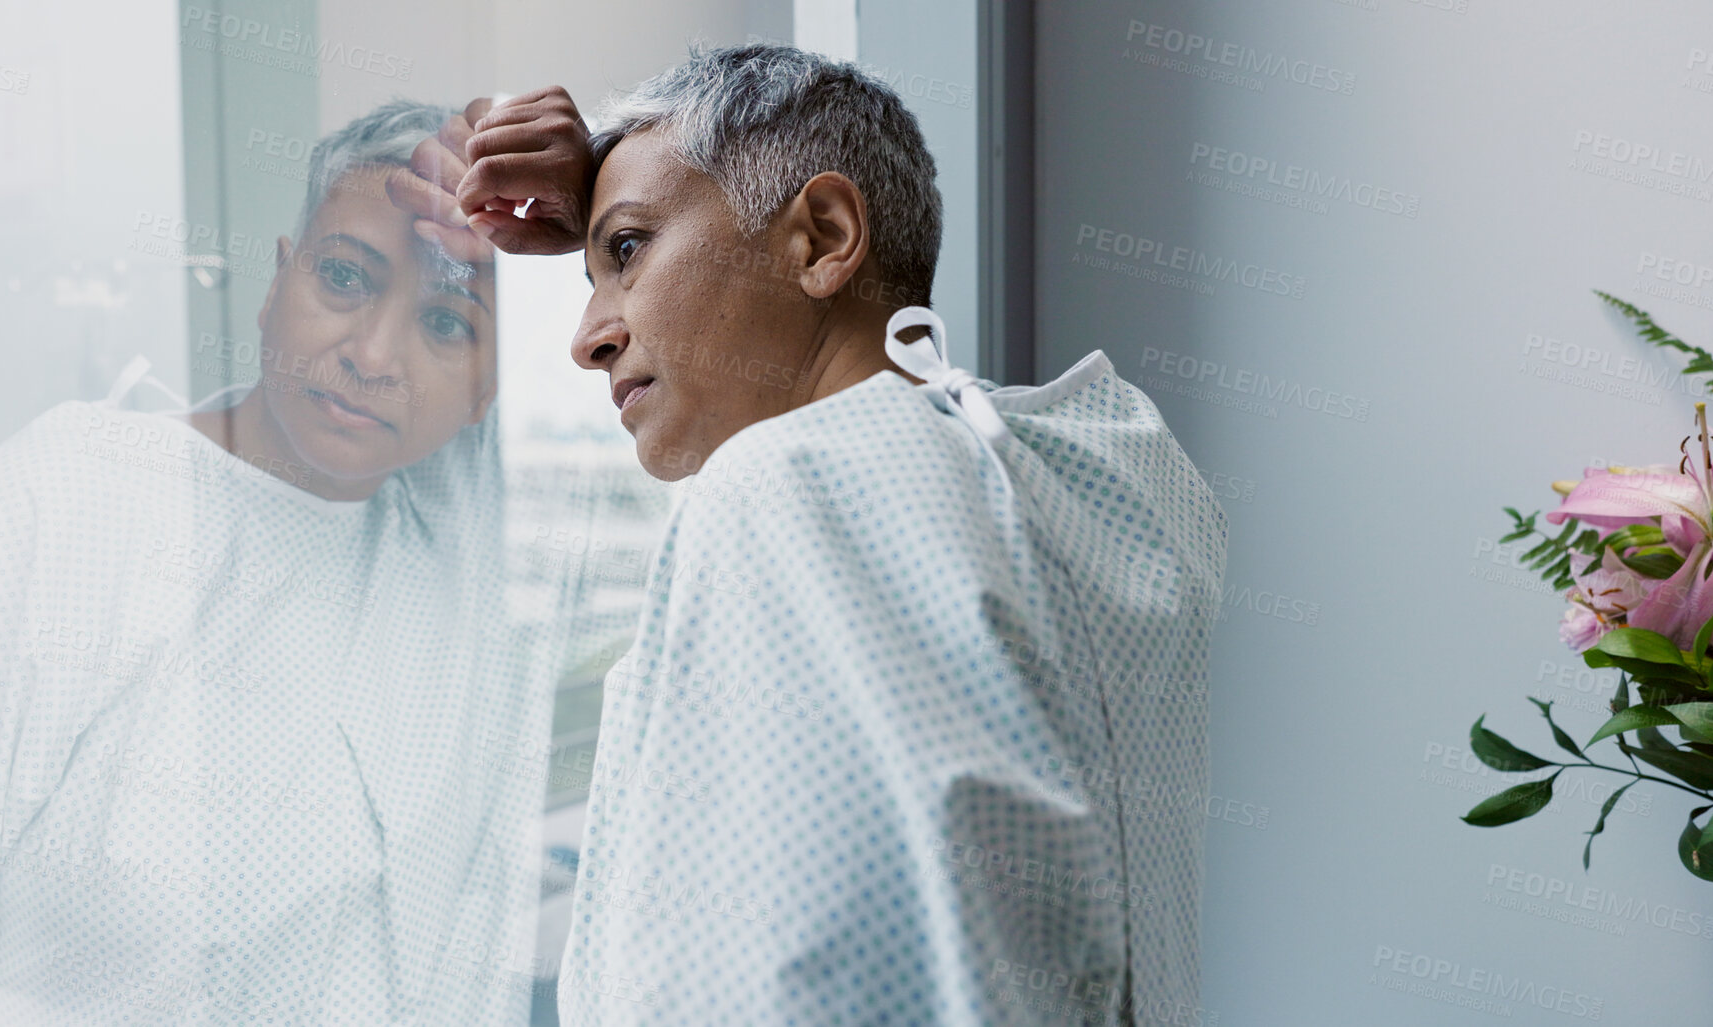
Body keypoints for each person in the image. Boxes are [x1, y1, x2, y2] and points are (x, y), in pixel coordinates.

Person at [395, 45, 1229, 1025]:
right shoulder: (1108, 480)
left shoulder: (776, 491)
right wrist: (631, 184)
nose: (587, 335)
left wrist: (627, 170)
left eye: (625, 254)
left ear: (824, 236)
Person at [0, 100, 547, 1025]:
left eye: (446, 324)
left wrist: (573, 212)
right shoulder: (79, 492)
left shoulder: (450, 580)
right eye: (344, 277)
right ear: (274, 284)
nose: (372, 355)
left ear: (486, 391)